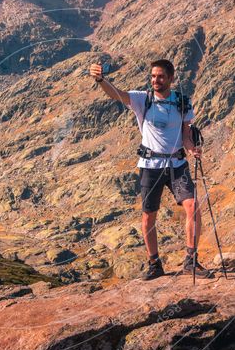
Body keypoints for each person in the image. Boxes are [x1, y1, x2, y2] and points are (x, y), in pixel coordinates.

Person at [89, 59, 213, 280]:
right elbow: (116, 94)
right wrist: (100, 80)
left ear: (171, 78)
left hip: (177, 163)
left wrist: (192, 148)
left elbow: (185, 133)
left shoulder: (182, 102)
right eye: (153, 76)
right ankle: (155, 263)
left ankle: (191, 260)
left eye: (161, 77)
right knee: (148, 216)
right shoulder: (142, 99)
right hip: (150, 165)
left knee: (193, 206)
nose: (156, 80)